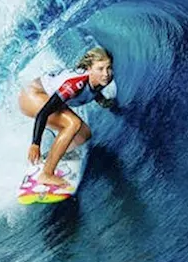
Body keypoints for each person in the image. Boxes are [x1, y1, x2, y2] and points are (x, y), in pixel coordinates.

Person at [19, 47, 118, 188]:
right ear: (89, 69)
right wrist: (35, 143)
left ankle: (50, 158)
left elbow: (94, 89)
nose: (106, 74)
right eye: (100, 69)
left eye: (109, 68)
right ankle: (46, 174)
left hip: (45, 95)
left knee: (83, 135)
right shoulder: (75, 84)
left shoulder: (104, 78)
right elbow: (43, 113)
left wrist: (103, 101)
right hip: (32, 96)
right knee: (73, 124)